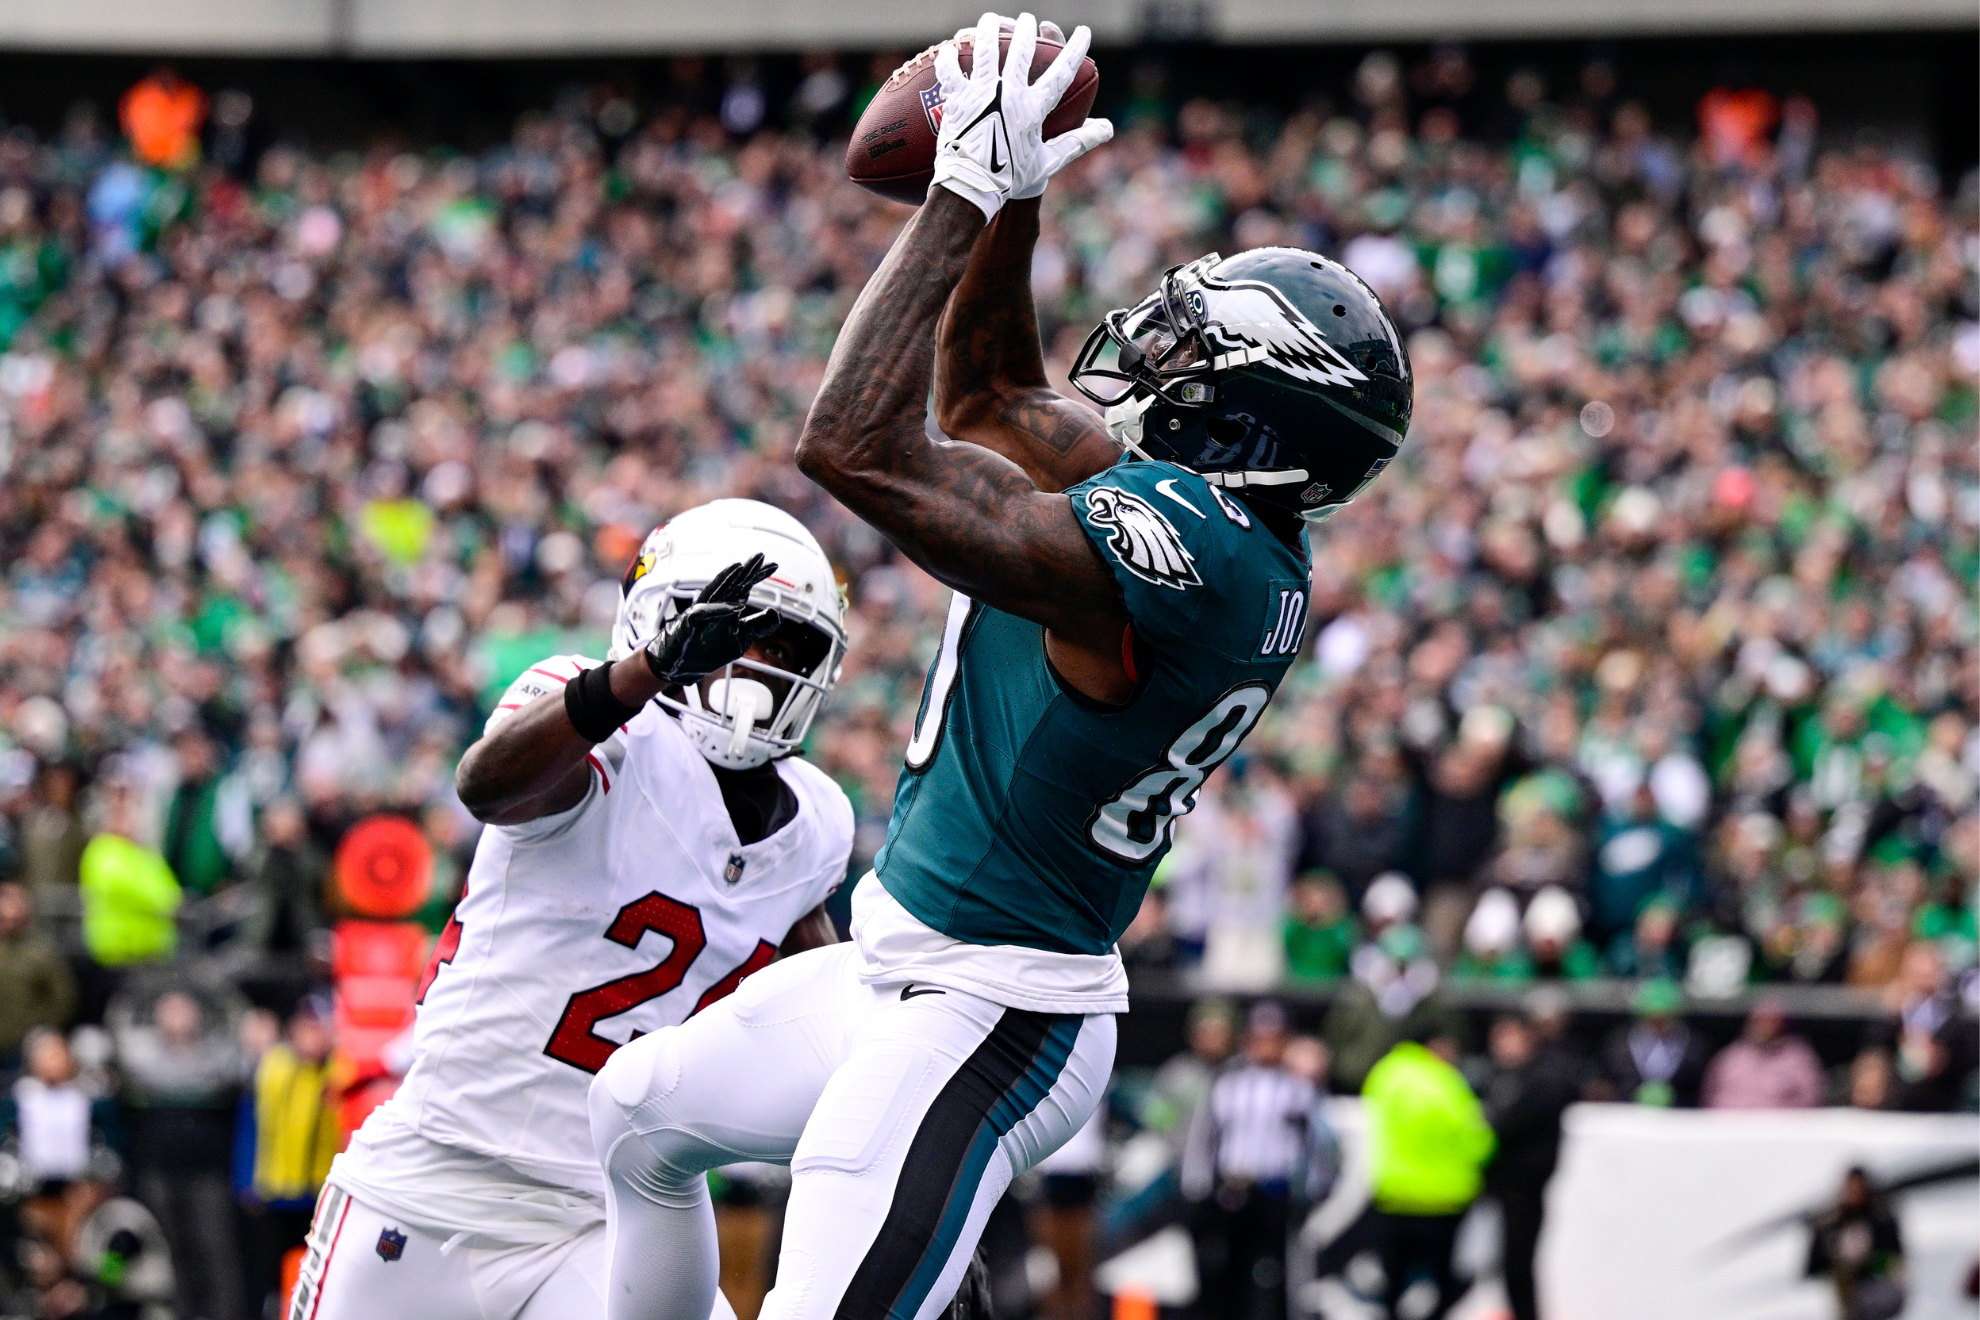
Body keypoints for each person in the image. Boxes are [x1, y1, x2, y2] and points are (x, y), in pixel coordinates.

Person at [586, 15, 1412, 1320]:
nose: (1149, 342)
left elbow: (855, 447)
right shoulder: (1216, 523)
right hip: (893, 966)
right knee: (633, 1118)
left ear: (1252, 411)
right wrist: (1016, 190)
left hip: (991, 1010)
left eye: (1192, 348)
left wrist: (961, 197)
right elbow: (984, 398)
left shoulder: (1188, 552)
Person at [291, 500, 854, 1320]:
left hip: (610, 1214)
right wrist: (646, 673)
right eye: (733, 634)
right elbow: (488, 785)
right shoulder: (594, 718)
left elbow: (825, 1020)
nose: (755, 667)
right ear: (659, 622)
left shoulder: (816, 824)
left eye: (783, 646)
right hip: (437, 1181)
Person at [1180, 1002, 1336, 1320]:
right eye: (1260, 1036)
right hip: (1234, 1187)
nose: (1266, 1044)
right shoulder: (1228, 1084)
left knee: (1276, 1271)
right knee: (1227, 1267)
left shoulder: (1299, 1089)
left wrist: (1316, 1187)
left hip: (1276, 1189)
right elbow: (1204, 1137)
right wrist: (1197, 1184)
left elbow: (1321, 1143)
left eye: (1274, 1037)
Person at [1362, 1030, 1494, 1320]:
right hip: (1442, 1198)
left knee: (1392, 1281)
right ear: (1437, 1045)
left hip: (1394, 1193)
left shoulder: (1387, 1072)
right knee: (1442, 1283)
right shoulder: (1446, 1081)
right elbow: (1475, 1139)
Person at [1482, 1012, 1581, 1320]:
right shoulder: (1499, 1077)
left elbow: (1509, 1125)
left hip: (1524, 1189)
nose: (1503, 1046)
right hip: (1500, 1187)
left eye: (1509, 1037)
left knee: (1519, 1264)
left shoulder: (1544, 1078)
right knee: (1503, 1263)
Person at [1805, 1167, 1905, 1320]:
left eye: (1859, 1187)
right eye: (1851, 1187)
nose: (1855, 1192)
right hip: (1840, 1294)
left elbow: (1894, 1259)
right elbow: (1813, 1268)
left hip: (1876, 1292)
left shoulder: (1881, 1220)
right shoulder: (1829, 1224)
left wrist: (1867, 1264)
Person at [1596, 979, 1709, 1108]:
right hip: (1627, 1114)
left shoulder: (1695, 1047)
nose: (1659, 1025)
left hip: (1680, 1117)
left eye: (1665, 1018)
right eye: (1653, 1019)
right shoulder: (1619, 1045)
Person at [0, 881, 75, 1070]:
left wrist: (34, 1025)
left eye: (17, 900)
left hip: (24, 1043)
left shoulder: (41, 950)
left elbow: (63, 998)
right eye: (6, 899)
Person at [1701, 999, 1827, 1109]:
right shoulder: (1731, 1057)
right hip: (1728, 1130)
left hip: (1781, 1131)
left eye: (1769, 1021)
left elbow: (1811, 1098)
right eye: (1758, 1020)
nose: (1763, 1026)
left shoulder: (1799, 1059)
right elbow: (1708, 1094)